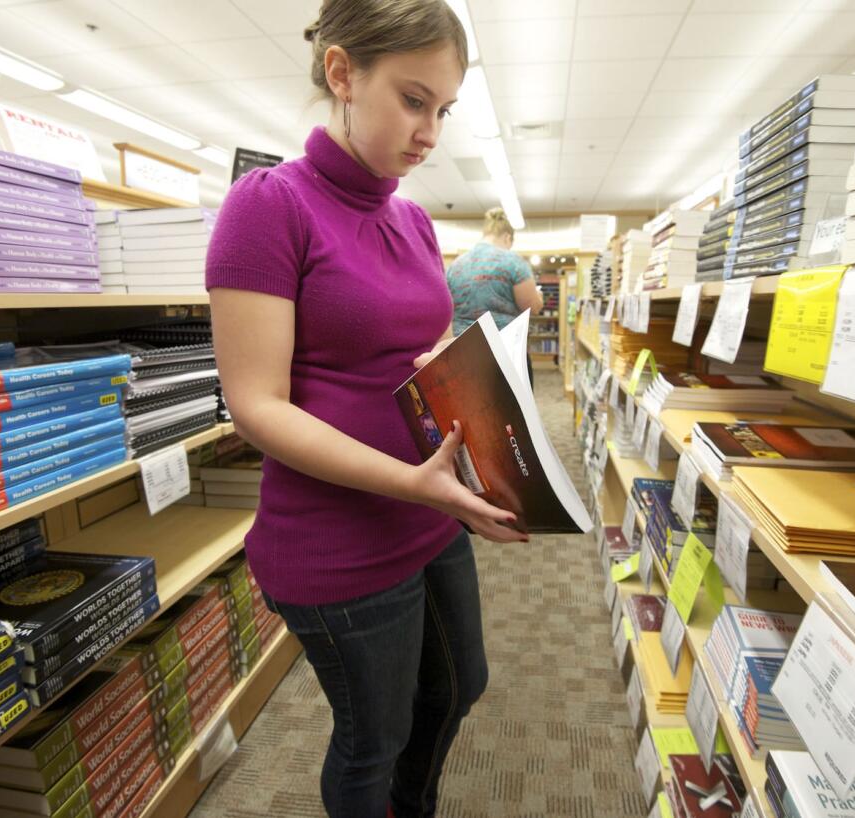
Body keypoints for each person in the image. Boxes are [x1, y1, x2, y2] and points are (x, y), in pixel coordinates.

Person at [204, 3, 523, 816]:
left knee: (458, 689)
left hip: (428, 513)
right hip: (335, 541)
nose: (431, 132)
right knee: (371, 737)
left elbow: (413, 341)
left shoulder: (413, 219)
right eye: (414, 101)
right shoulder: (269, 205)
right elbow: (254, 405)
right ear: (343, 74)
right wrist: (413, 481)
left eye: (444, 110)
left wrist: (450, 374)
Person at [446, 208, 544, 382]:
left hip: (462, 352)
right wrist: (539, 297)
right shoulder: (513, 262)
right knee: (513, 407)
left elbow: (447, 309)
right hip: (505, 353)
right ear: (507, 237)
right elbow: (532, 307)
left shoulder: (455, 266)